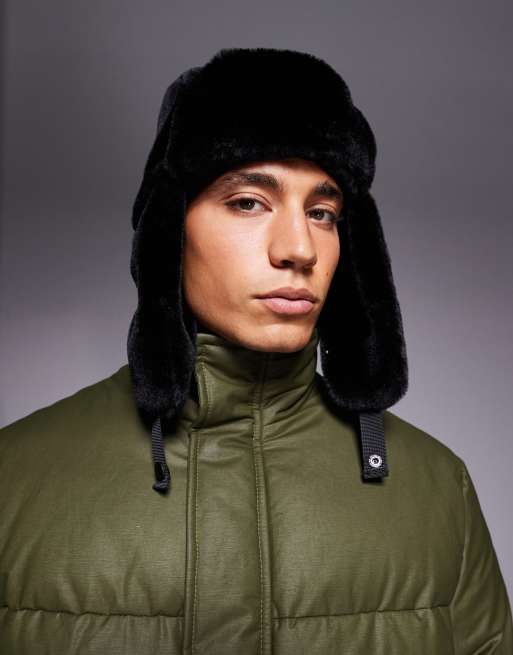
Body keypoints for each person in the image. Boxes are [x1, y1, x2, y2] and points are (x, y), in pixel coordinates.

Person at [0, 47, 511, 654]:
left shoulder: (439, 489)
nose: (299, 248)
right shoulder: (12, 477)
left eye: (322, 212)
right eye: (248, 202)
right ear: (170, 228)